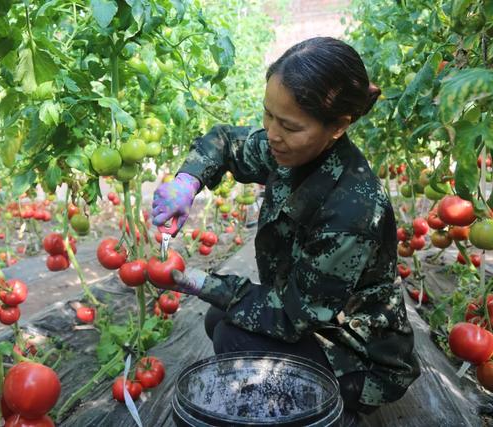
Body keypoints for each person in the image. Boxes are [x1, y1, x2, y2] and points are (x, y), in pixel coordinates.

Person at [150, 37, 420, 423]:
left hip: (361, 354)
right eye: (268, 115)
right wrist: (187, 182)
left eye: (289, 125)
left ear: (339, 126)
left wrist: (197, 282)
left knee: (234, 337)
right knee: (219, 320)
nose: (272, 134)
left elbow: (294, 315)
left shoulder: (351, 211)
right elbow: (225, 141)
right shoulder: (293, 150)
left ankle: (335, 411)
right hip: (320, 318)